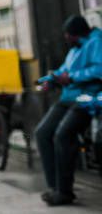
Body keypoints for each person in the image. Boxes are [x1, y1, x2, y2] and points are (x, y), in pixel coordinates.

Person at [35, 15, 102, 207]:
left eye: (68, 35)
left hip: (88, 98)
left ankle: (65, 191)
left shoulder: (97, 42)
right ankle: (55, 187)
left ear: (77, 34)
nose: (66, 38)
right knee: (42, 133)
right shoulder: (74, 49)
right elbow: (64, 70)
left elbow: (99, 70)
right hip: (67, 98)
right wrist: (50, 80)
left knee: (63, 135)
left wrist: (72, 77)